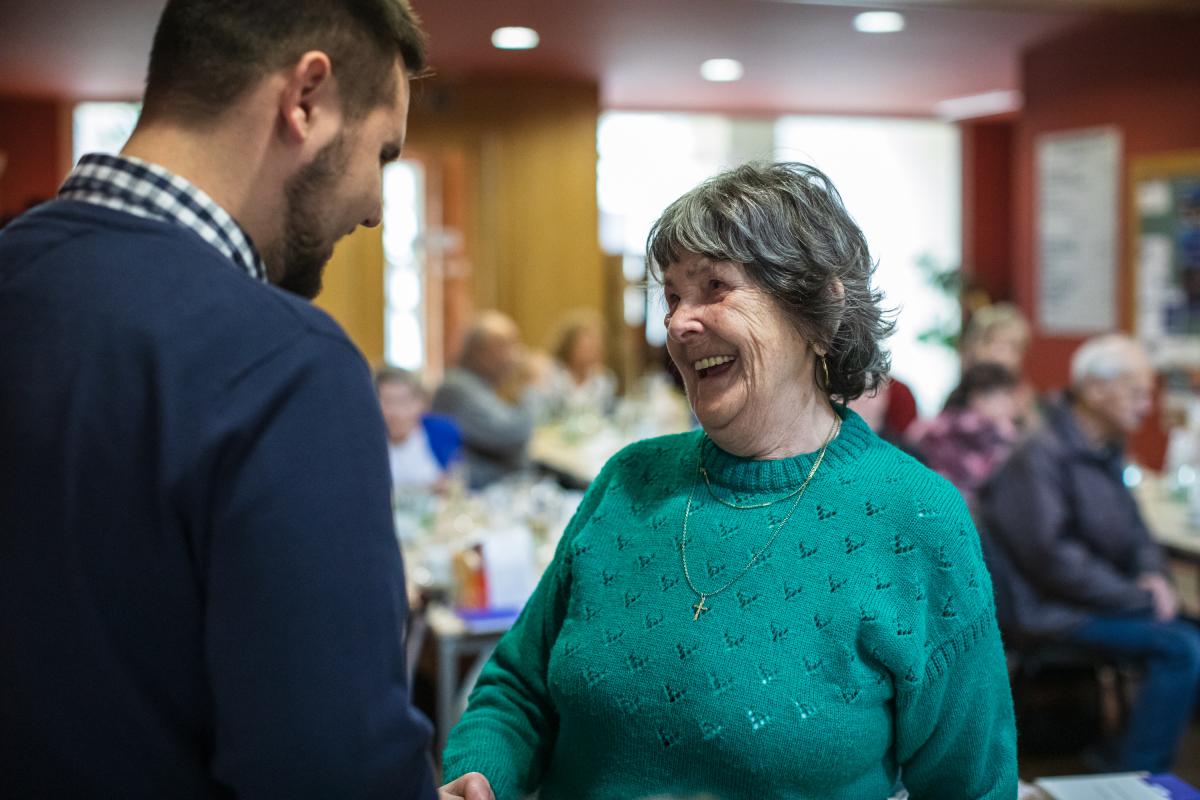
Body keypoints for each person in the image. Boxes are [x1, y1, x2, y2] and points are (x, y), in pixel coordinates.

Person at [439, 162, 1017, 800]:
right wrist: (479, 773)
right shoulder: (629, 481)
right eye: (672, 296)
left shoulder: (913, 517)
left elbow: (972, 787)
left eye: (715, 287)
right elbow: (519, 689)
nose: (678, 323)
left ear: (819, 313)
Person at [0, 2, 444, 797]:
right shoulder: (287, 365)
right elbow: (332, 771)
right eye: (382, 153)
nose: (376, 208)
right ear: (305, 98)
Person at [982, 334, 1200, 773]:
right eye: (1137, 393)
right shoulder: (1040, 453)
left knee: (1190, 628)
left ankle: (1132, 752)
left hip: (1090, 598)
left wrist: (1154, 577)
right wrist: (1137, 597)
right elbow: (1052, 560)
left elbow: (1138, 532)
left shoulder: (1103, 448)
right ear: (1095, 390)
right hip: (1048, 610)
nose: (1148, 406)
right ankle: (1136, 774)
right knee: (1181, 646)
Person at [432, 311, 536, 489]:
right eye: (505, 347)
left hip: (492, 485)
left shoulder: (478, 384)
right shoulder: (457, 387)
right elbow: (510, 435)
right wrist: (528, 384)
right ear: (479, 351)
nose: (514, 356)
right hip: (477, 490)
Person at [919, 362, 1021, 506]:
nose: (1011, 403)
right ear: (977, 398)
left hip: (931, 507)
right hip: (970, 513)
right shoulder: (997, 437)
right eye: (1005, 395)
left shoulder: (938, 426)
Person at [376, 366, 462, 491]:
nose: (396, 412)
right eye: (387, 402)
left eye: (403, 402)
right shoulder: (365, 443)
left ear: (421, 404)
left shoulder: (442, 432)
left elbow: (457, 477)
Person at [538, 309, 617, 421]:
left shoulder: (604, 380)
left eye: (597, 344)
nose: (593, 350)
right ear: (569, 345)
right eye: (587, 346)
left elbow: (607, 417)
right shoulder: (550, 374)